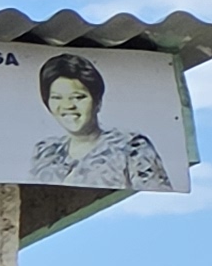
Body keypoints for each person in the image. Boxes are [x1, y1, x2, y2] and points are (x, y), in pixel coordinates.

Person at [30, 53, 172, 192]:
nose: (68, 106)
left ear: (98, 102)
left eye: (78, 97)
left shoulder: (131, 146)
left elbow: (155, 199)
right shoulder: (46, 151)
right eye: (57, 98)